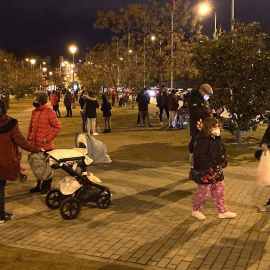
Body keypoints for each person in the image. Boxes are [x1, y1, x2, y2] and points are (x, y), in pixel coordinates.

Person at [0, 100, 41, 223]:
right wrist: (35, 149)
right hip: (5, 161)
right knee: (0, 188)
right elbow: (21, 142)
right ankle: (1, 215)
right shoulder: (10, 124)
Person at [192, 117, 237, 220]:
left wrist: (223, 161)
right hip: (206, 173)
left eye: (218, 126)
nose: (217, 129)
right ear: (209, 128)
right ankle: (196, 210)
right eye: (214, 127)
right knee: (203, 193)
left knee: (220, 192)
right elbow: (199, 157)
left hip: (217, 171)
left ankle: (223, 211)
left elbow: (222, 152)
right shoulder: (202, 141)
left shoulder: (217, 140)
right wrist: (207, 168)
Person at [28, 91, 61, 193]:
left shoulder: (50, 112)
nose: (34, 102)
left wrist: (47, 139)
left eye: (36, 100)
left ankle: (46, 186)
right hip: (35, 145)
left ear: (41, 101)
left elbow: (57, 127)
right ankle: (39, 184)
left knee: (46, 168)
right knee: (37, 166)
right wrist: (28, 139)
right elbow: (31, 127)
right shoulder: (34, 112)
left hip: (46, 146)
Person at [188, 84, 213, 176]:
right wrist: (206, 114)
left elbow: (206, 112)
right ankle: (193, 168)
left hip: (204, 128)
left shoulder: (203, 101)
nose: (208, 96)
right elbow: (197, 114)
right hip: (196, 128)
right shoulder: (194, 100)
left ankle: (202, 167)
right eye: (208, 94)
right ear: (202, 92)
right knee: (194, 146)